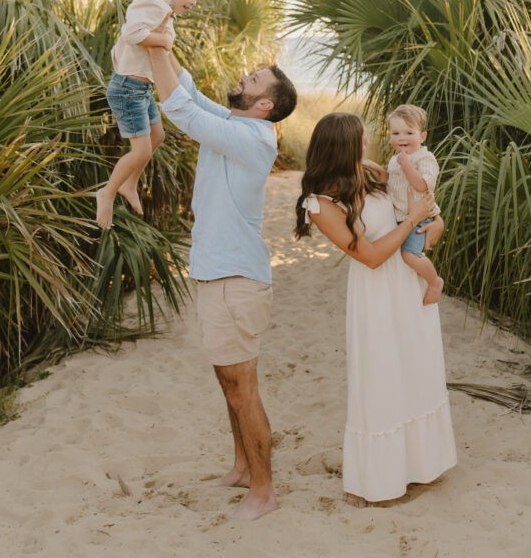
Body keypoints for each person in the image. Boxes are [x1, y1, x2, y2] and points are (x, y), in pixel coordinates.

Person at [148, 45, 297, 522]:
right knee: (226, 382)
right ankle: (241, 465)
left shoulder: (253, 139)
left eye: (254, 80)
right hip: (218, 276)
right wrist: (164, 47)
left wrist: (151, 49)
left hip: (236, 281)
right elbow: (188, 92)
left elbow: (181, 111)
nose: (244, 78)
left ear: (265, 106)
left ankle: (263, 491)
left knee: (241, 390)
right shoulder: (238, 127)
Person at [295, 112, 457, 505]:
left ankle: (421, 466)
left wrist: (432, 225)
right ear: (345, 144)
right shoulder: (320, 203)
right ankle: (380, 479)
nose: (369, 143)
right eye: (363, 138)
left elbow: (416, 202)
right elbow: (369, 256)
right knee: (382, 375)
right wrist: (414, 222)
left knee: (416, 368)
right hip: (376, 292)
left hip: (407, 283)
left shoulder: (368, 171)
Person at [96, 0, 209, 230]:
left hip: (141, 89)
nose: (193, 2)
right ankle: (107, 192)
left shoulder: (163, 5)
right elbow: (132, 33)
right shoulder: (151, 2)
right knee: (140, 149)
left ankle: (131, 183)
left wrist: (165, 40)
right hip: (127, 89)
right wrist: (165, 40)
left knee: (157, 136)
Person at [386, 104, 445, 305]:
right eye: (396, 133)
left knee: (409, 254)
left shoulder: (424, 158)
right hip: (402, 217)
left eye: (409, 132)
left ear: (422, 136)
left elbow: (421, 185)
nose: (401, 138)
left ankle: (434, 281)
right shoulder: (394, 160)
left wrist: (407, 164)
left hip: (421, 217)